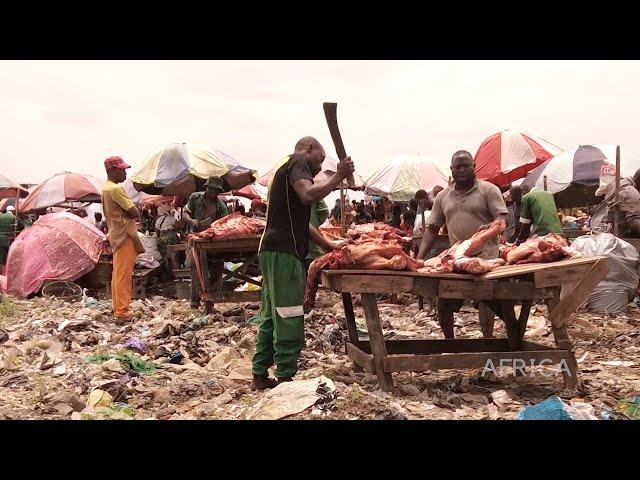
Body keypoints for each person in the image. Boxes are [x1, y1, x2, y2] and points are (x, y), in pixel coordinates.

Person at [251, 136, 353, 390]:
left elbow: (303, 224)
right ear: (308, 149)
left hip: (273, 251)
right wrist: (337, 176)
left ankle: (259, 374)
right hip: (283, 253)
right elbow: (308, 195)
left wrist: (330, 245)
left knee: (271, 315)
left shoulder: (286, 170)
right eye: (319, 161)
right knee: (288, 313)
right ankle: (285, 377)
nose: (318, 169)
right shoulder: (297, 161)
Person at [417, 150, 508, 339]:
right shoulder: (443, 196)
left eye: (466, 165)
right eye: (458, 166)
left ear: (474, 166)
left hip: (486, 256)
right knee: (444, 303)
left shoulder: (488, 190)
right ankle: (450, 343)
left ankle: (487, 342)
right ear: (451, 170)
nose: (462, 170)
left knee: (486, 301)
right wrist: (419, 257)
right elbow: (432, 228)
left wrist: (490, 226)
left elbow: (501, 219)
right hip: (456, 258)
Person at [101, 156, 145, 322]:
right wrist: (132, 210)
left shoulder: (106, 188)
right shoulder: (115, 190)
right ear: (112, 170)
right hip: (124, 235)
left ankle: (118, 308)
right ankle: (122, 311)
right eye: (122, 170)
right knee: (123, 275)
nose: (125, 173)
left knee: (118, 274)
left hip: (116, 234)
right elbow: (135, 212)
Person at [182, 176, 229, 309]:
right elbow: (185, 214)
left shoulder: (221, 206)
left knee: (216, 269)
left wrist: (215, 230)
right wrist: (192, 221)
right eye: (211, 189)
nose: (213, 192)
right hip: (195, 238)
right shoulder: (195, 198)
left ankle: (211, 300)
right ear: (207, 188)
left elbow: (224, 225)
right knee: (194, 267)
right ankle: (194, 302)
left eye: (216, 190)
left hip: (213, 241)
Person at [590, 168, 640, 236]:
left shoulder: (618, 184)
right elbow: (634, 221)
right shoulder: (633, 194)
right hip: (613, 234)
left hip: (600, 227)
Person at [305, 199, 330, 270]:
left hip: (293, 249)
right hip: (313, 247)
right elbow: (324, 211)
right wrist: (315, 223)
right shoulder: (311, 189)